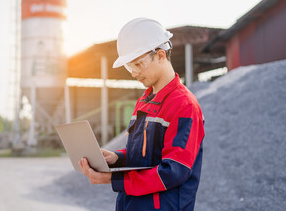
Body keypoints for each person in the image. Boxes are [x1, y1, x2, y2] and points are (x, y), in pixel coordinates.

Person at [79, 17, 205, 211]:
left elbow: (172, 172)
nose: (134, 73)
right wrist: (116, 158)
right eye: (130, 66)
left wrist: (114, 179)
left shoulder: (184, 105)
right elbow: (145, 156)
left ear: (161, 55)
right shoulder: (144, 101)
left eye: (138, 64)